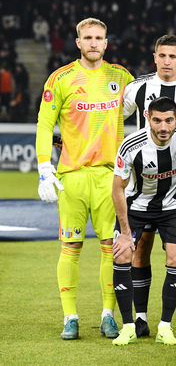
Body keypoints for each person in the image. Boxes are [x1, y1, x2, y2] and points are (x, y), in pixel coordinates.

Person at [35, 18, 134, 340]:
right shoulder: (61, 78)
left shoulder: (121, 77)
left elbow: (151, 104)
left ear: (106, 43)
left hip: (110, 176)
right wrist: (44, 168)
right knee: (71, 246)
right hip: (73, 176)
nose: (93, 42)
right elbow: (44, 124)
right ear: (78, 42)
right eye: (87, 37)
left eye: (99, 38)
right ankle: (70, 317)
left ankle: (108, 315)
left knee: (111, 247)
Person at [122, 34, 176, 338]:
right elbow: (113, 118)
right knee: (140, 249)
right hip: (143, 181)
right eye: (162, 56)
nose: (167, 61)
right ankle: (141, 317)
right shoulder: (138, 87)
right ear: (155, 57)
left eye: (173, 57)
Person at [110, 97, 176, 346]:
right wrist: (124, 232)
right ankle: (129, 326)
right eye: (157, 120)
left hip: (172, 207)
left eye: (169, 120)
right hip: (136, 207)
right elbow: (117, 190)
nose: (163, 127)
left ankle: (165, 327)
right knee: (122, 255)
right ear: (147, 117)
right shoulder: (131, 145)